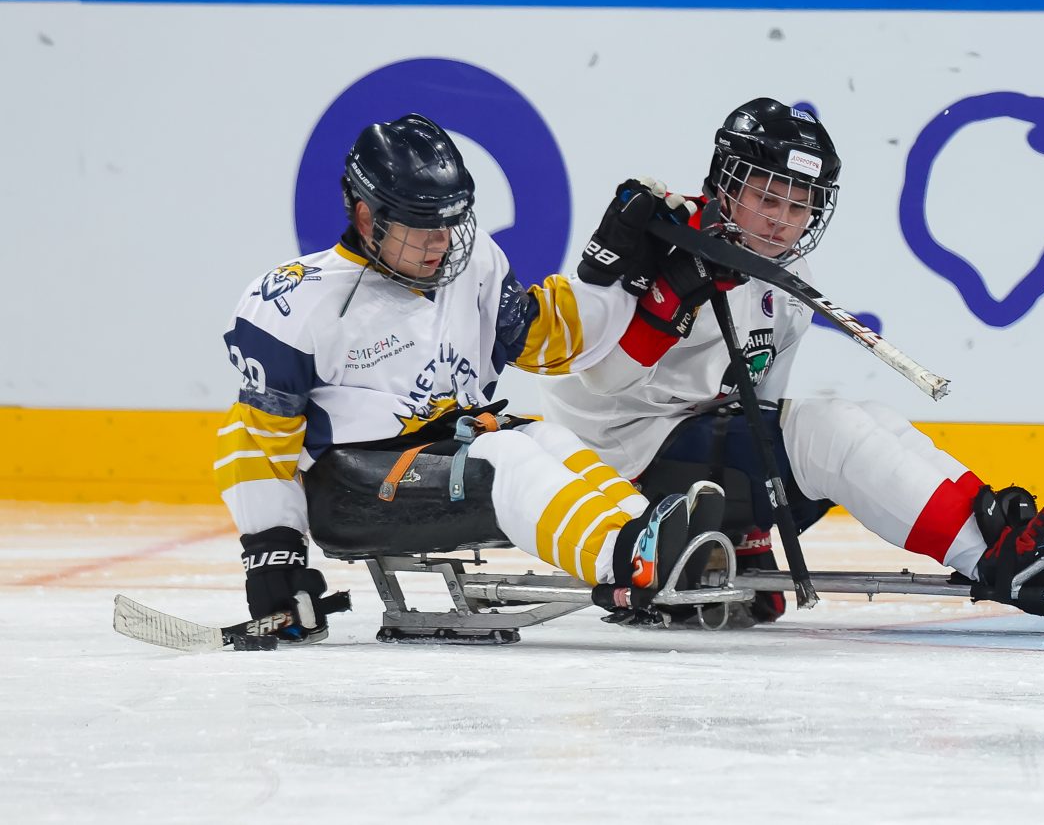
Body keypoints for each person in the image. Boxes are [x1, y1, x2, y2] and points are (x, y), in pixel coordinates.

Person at [541, 97, 1044, 622]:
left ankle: (998, 533)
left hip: (692, 461)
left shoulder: (788, 282)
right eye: (767, 198)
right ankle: (996, 564)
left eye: (799, 206)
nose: (781, 220)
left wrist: (749, 542)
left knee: (868, 417)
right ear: (725, 185)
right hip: (611, 466)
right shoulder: (655, 240)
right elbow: (596, 375)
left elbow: (762, 411)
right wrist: (670, 297)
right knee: (830, 431)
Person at [215, 112, 723, 641]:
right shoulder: (294, 300)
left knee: (545, 436)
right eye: (423, 226)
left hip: (443, 448)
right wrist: (271, 555)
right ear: (368, 218)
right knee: (506, 455)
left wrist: (616, 263)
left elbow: (547, 339)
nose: (443, 242)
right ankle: (625, 561)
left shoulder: (472, 263)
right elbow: (255, 437)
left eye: (451, 223)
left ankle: (653, 538)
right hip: (352, 487)